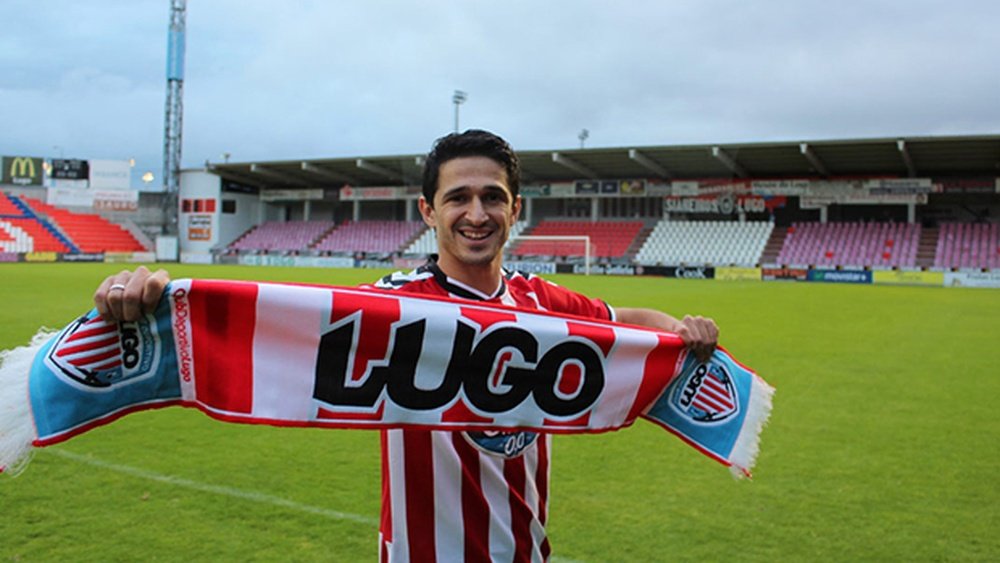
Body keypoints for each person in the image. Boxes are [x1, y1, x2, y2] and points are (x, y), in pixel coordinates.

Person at [94, 129, 718, 562]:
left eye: (492, 197)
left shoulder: (542, 303)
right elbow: (268, 320)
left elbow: (631, 319)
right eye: (458, 198)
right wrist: (150, 303)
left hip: (525, 551)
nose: (477, 213)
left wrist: (683, 329)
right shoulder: (391, 307)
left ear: (515, 208)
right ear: (428, 210)